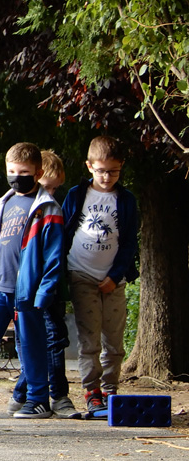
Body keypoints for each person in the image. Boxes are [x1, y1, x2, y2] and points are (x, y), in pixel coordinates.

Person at [0, 142, 63, 419]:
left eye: (23, 172)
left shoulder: (48, 208)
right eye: (11, 171)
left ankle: (38, 399)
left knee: (31, 345)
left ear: (38, 173)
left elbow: (54, 256)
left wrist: (44, 291)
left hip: (27, 291)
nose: (16, 177)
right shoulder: (1, 205)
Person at [62, 136, 138, 414]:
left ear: (121, 167)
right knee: (90, 339)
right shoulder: (76, 195)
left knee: (113, 340)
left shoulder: (126, 200)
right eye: (101, 171)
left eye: (113, 171)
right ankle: (92, 391)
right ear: (89, 166)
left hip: (113, 278)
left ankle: (110, 390)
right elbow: (64, 232)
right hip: (81, 273)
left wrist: (115, 276)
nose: (107, 177)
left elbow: (129, 242)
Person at [8, 150, 77, 417]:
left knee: (54, 338)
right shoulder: (22, 209)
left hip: (49, 287)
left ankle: (38, 394)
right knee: (37, 340)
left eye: (55, 189)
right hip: (31, 288)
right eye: (47, 187)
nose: (51, 193)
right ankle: (44, 394)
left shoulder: (52, 210)